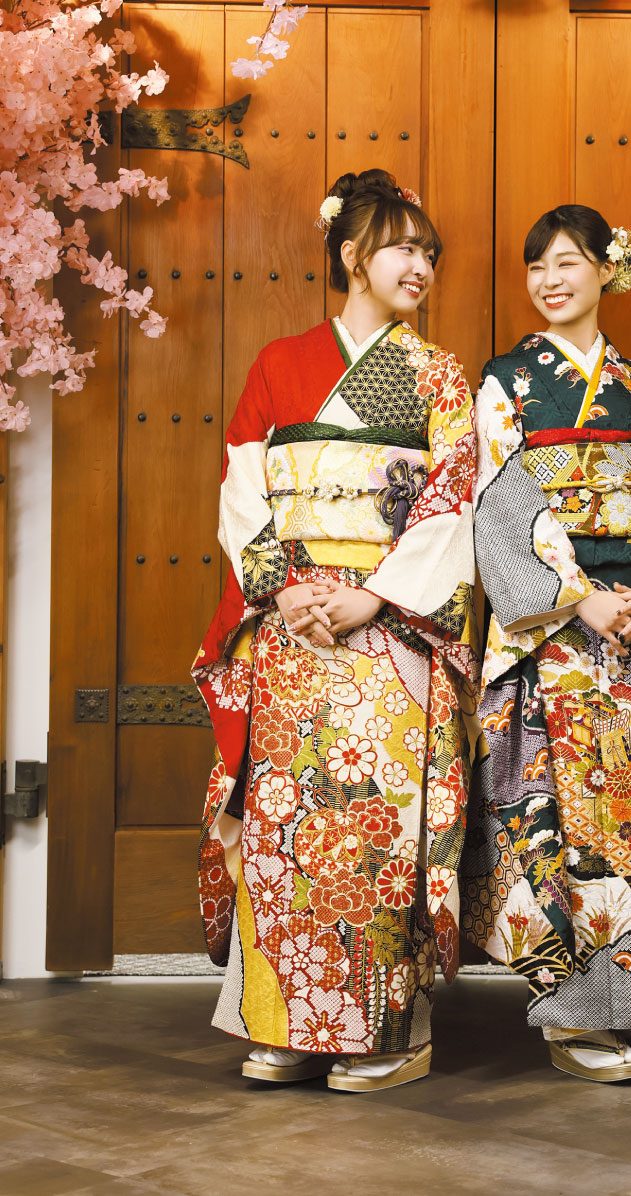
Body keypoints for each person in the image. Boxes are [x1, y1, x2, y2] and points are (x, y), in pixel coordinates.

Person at [192, 169, 477, 1092]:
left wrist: (377, 597)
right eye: (402, 248)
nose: (420, 265)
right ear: (353, 255)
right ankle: (281, 1020)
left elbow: (452, 502)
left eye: (429, 252)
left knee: (376, 829)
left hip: (386, 629)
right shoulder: (280, 362)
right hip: (293, 626)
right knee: (285, 824)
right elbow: (244, 488)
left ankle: (389, 1032)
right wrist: (281, 591)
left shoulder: (440, 375)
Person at [461, 204, 631, 1084]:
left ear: (608, 269)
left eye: (568, 261)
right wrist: (579, 598)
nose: (550, 280)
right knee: (560, 825)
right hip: (558, 633)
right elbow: (501, 499)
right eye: (537, 265)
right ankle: (575, 1017)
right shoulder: (506, 383)